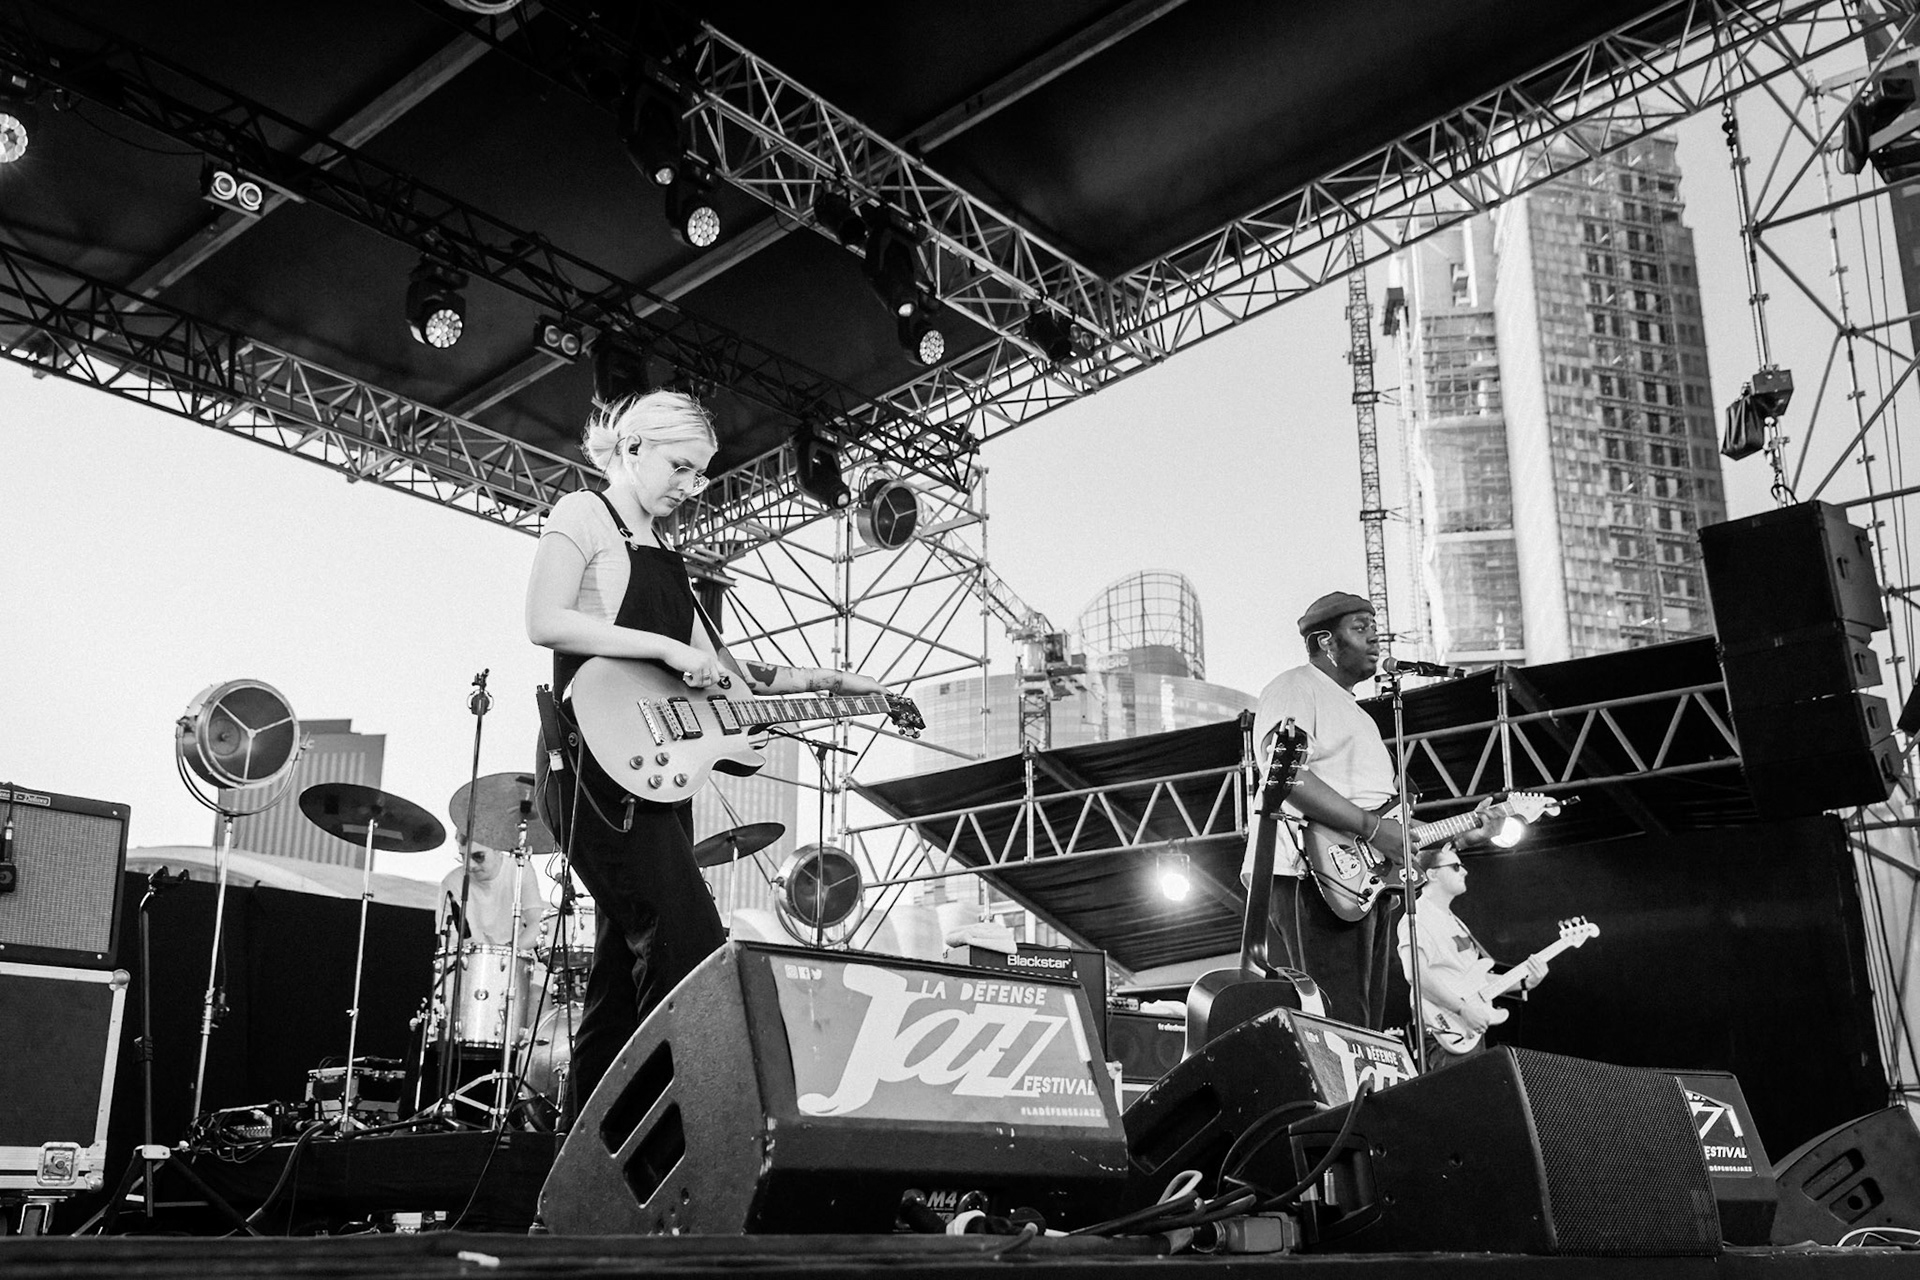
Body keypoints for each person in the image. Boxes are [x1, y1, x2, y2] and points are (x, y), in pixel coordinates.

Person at [524, 390, 889, 1113]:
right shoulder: (580, 514)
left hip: (658, 783)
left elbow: (725, 672)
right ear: (633, 448)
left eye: (699, 475)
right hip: (591, 769)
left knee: (618, 979)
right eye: (681, 466)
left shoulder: (667, 555)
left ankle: (585, 1164)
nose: (689, 487)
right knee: (686, 949)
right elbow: (542, 620)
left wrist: (823, 681)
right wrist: (661, 645)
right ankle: (666, 1141)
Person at [1240, 591, 1412, 1030]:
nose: (1375, 637)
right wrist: (1373, 830)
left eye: (1374, 627)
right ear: (1325, 642)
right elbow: (1285, 775)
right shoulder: (1295, 686)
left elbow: (1380, 813)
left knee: (1366, 1025)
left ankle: (1358, 1098)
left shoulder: (1365, 718)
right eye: (1360, 628)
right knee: (1338, 1019)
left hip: (1363, 880)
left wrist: (1465, 829)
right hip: (1311, 873)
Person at [1396, 851, 1548, 1070]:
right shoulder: (1419, 917)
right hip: (1446, 1027)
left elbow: (1474, 978)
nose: (1465, 871)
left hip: (1467, 1027)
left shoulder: (1454, 921)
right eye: (1456, 866)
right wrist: (1462, 1009)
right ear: (1432, 874)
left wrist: (1524, 982)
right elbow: (1415, 975)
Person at [435, 837, 543, 954]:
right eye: (463, 857)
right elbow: (450, 945)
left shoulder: (520, 868)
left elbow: (537, 926)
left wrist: (504, 953)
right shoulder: (452, 882)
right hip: (472, 965)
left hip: (517, 960)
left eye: (478, 856)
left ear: (497, 849)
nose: (470, 865)